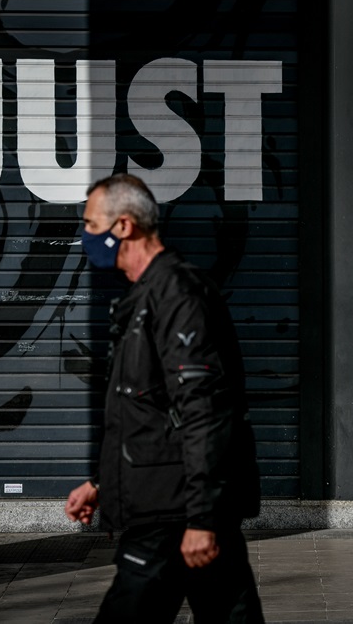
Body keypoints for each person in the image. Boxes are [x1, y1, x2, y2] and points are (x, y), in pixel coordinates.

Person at [64, 173, 264, 623]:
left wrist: (202, 519)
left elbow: (203, 409)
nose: (86, 234)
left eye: (91, 223)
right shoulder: (147, 296)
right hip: (174, 503)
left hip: (173, 515)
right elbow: (151, 415)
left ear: (123, 226)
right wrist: (103, 483)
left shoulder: (175, 294)